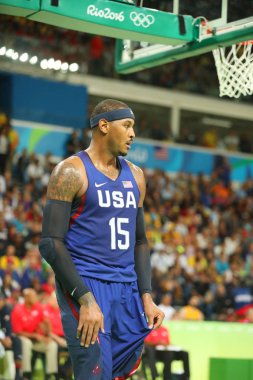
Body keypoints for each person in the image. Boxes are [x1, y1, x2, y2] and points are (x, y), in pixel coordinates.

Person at [39, 98, 165, 380]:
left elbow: (140, 241)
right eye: (127, 125)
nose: (133, 133)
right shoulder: (71, 172)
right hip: (87, 285)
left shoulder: (137, 176)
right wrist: (85, 299)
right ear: (104, 126)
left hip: (127, 290)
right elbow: (50, 242)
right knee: (94, 375)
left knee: (120, 376)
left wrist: (146, 296)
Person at [11, 288, 58, 380]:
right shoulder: (18, 310)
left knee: (52, 345)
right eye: (33, 296)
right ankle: (26, 374)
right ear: (27, 298)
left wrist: (47, 334)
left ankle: (50, 375)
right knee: (26, 343)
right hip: (22, 339)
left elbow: (46, 321)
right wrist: (35, 335)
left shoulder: (38, 307)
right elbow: (17, 332)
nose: (36, 298)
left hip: (36, 340)